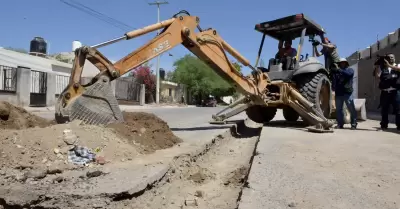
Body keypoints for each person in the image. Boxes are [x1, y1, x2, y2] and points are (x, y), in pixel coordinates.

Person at [373, 53, 400, 131]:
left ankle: (399, 126)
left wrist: (389, 66)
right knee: (384, 109)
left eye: (392, 57)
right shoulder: (383, 68)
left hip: (395, 91)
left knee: (398, 109)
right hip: (385, 92)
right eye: (389, 57)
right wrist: (377, 66)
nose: (390, 59)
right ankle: (384, 125)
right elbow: (377, 76)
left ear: (394, 58)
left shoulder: (397, 65)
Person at [332, 58, 358, 130]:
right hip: (339, 93)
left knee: (351, 108)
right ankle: (340, 124)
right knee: (339, 110)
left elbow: (348, 74)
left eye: (343, 62)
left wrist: (338, 70)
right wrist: (333, 89)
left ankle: (353, 123)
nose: (342, 64)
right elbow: (334, 81)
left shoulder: (350, 70)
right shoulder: (336, 72)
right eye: (340, 63)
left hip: (347, 93)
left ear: (346, 63)